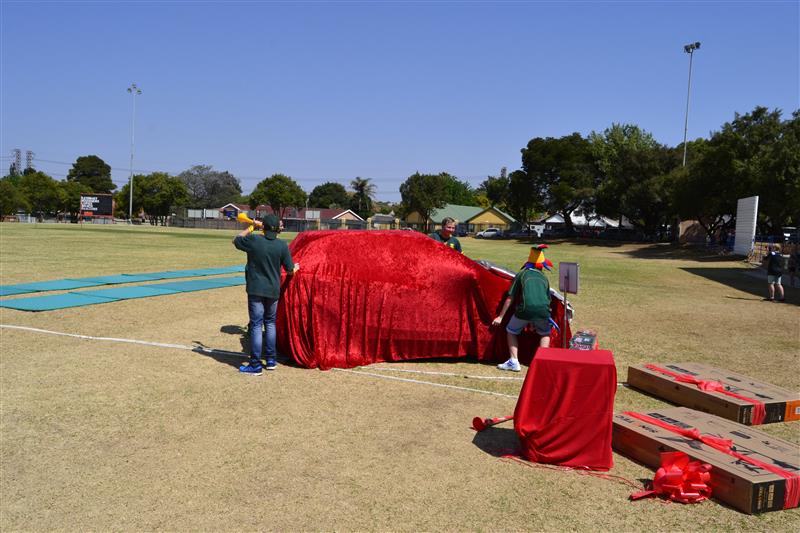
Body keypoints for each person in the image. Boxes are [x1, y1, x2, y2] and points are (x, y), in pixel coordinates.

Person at [233, 214, 298, 375]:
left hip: (255, 289)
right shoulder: (282, 245)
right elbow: (290, 270)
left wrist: (252, 226)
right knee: (270, 323)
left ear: (264, 227)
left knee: (256, 325)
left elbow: (236, 240)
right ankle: (270, 360)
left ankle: (255, 364)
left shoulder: (254, 240)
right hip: (273, 290)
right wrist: (296, 268)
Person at [492, 245, 553, 372]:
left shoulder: (522, 274)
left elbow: (510, 297)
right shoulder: (544, 277)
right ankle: (543, 362)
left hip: (525, 309)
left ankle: (514, 361)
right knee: (545, 333)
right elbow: (547, 299)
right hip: (544, 311)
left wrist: (501, 316)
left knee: (511, 330)